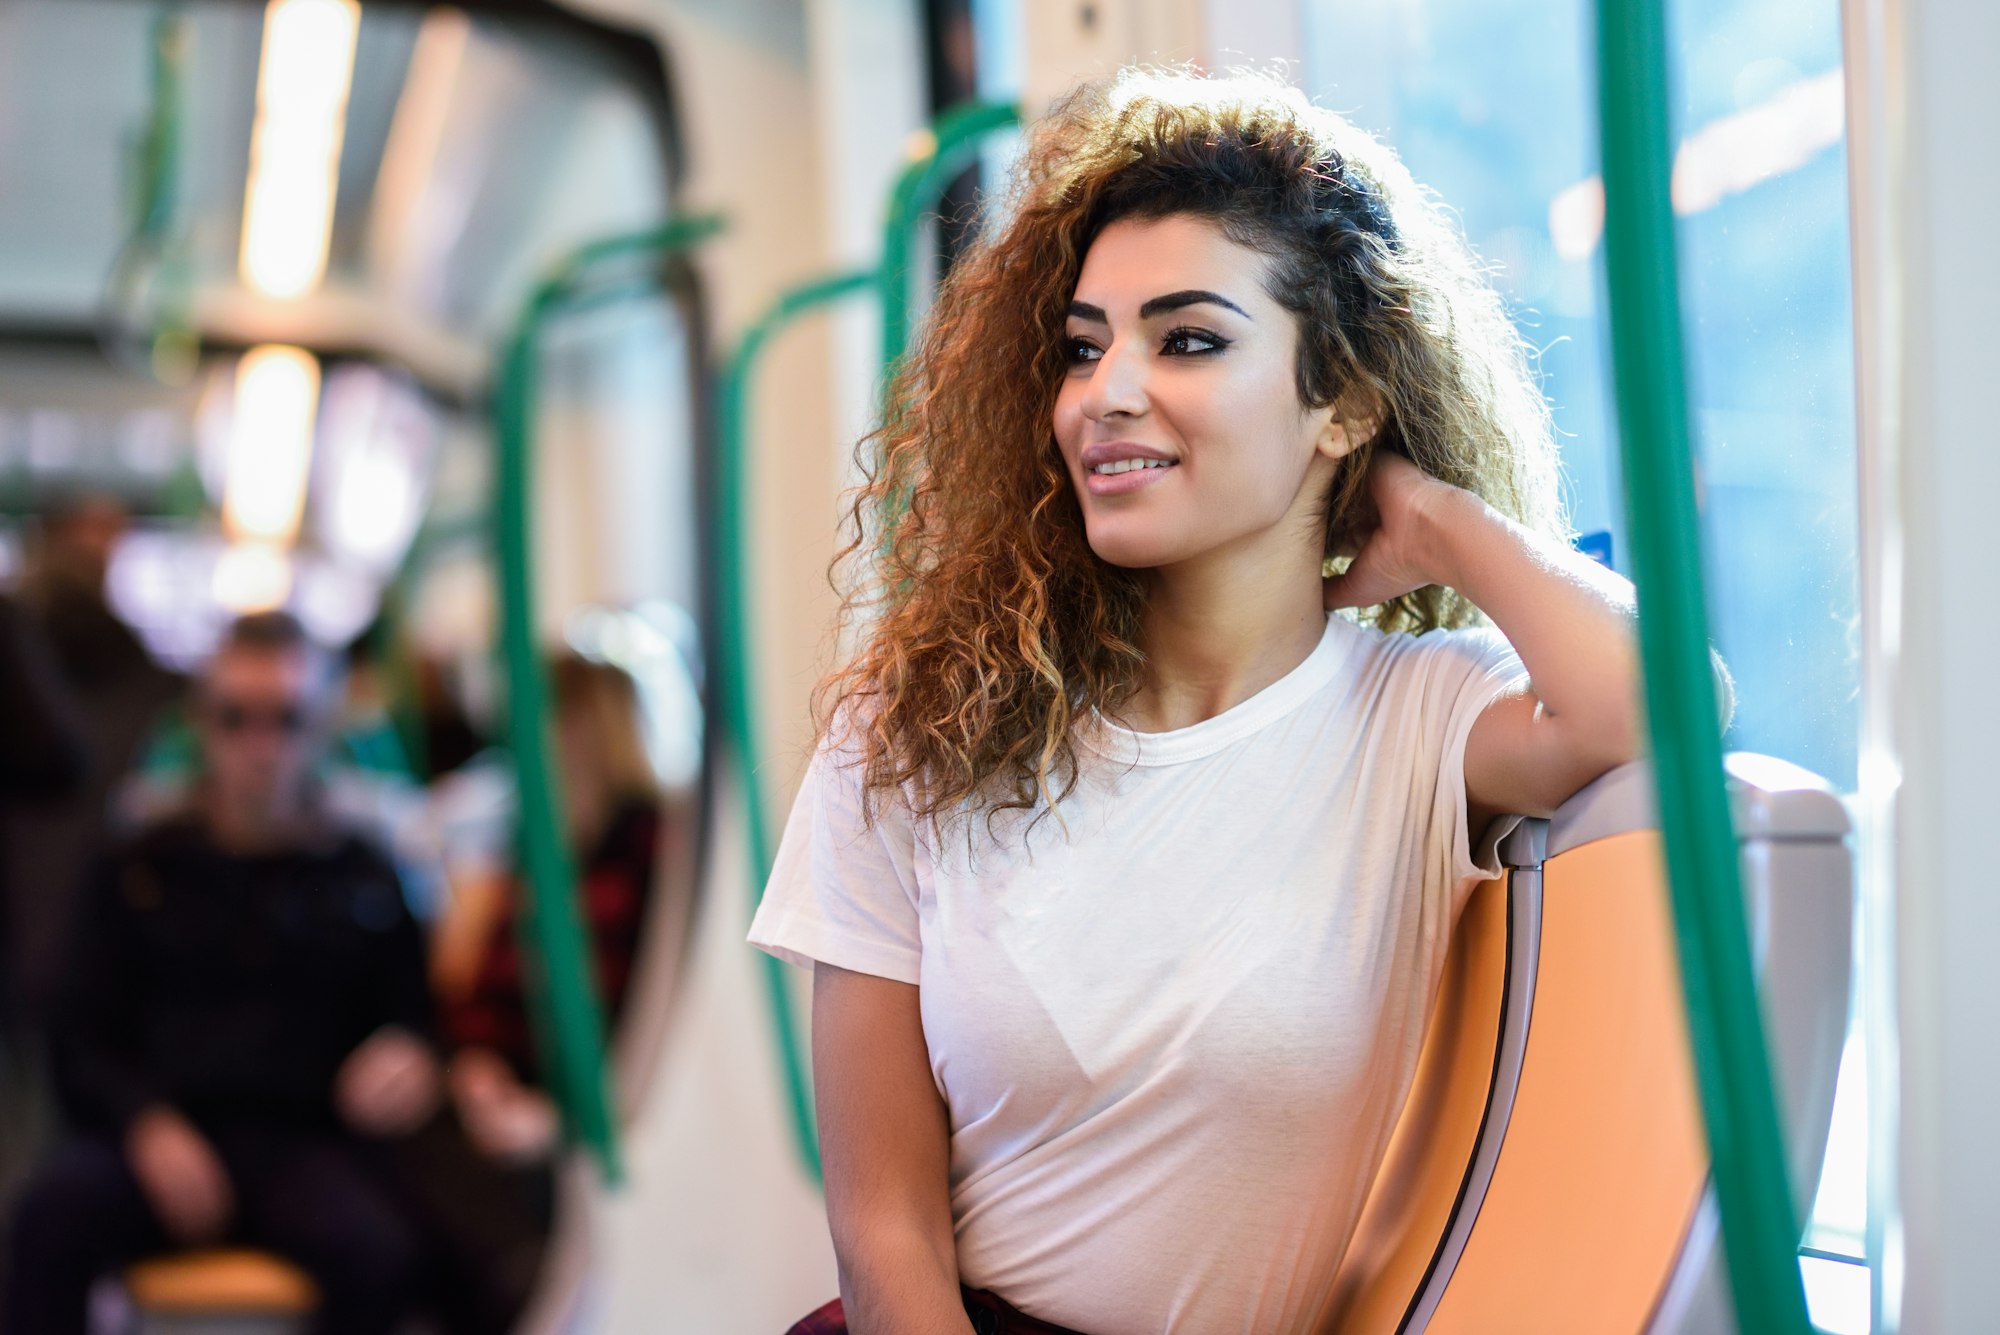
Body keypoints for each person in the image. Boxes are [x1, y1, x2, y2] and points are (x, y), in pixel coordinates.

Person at [749, 69, 1650, 1335]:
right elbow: (882, 1227)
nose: (1103, 393)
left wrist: (1441, 521)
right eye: (1081, 347)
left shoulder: (1416, 720)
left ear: (1341, 402)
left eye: (1186, 339)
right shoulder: (918, 727)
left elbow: (1651, 704)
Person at [4, 612, 440, 1335]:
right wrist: (146, 1123)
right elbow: (80, 1028)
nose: (261, 746)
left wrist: (408, 1054)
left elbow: (413, 1015)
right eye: (237, 718)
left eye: (287, 718)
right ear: (203, 723)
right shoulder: (140, 863)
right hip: (159, 1137)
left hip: (302, 1144)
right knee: (47, 1218)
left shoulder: (360, 871)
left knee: (381, 1252)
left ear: (324, 724)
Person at [400, 652, 666, 1334]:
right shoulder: (538, 844)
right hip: (502, 1093)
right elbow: (481, 986)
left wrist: (556, 1120)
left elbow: (638, 1015)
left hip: (580, 1114)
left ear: (583, 730)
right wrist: (474, 1064)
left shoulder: (648, 852)